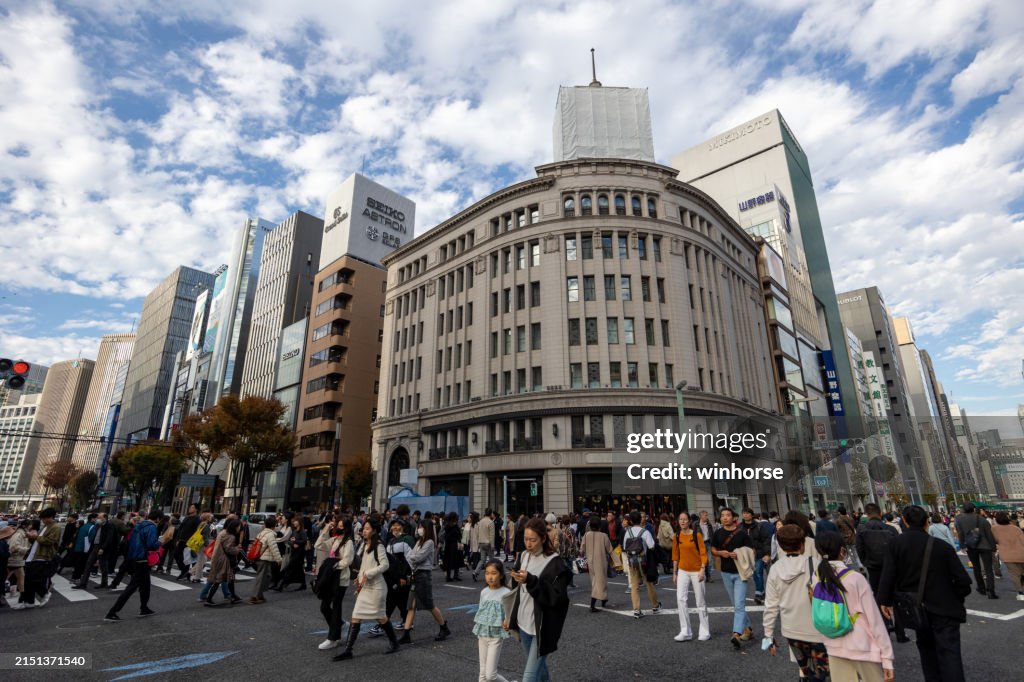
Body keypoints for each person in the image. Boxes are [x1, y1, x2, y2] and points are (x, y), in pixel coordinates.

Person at [879, 506, 971, 682]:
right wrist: (954, 598)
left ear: (904, 521)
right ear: (926, 522)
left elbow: (888, 574)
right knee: (950, 654)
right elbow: (963, 582)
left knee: (927, 652)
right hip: (945, 609)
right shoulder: (942, 547)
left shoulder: (895, 544)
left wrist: (885, 600)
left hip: (916, 609)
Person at [814, 531, 893, 682]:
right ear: (842, 550)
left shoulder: (817, 576)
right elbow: (874, 620)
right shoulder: (855, 578)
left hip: (833, 645)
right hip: (862, 645)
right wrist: (887, 658)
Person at [506, 517, 571, 682]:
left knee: (529, 677)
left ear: (543, 538)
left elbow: (556, 597)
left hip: (542, 626)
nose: (528, 544)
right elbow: (517, 590)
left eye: (533, 540)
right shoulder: (524, 556)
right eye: (526, 539)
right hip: (523, 622)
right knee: (539, 671)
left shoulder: (555, 563)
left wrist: (531, 580)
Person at [762, 524, 829, 681]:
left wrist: (768, 636)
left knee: (806, 672)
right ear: (802, 543)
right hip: (816, 629)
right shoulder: (815, 563)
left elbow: (770, 606)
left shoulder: (776, 569)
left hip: (791, 631)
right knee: (821, 675)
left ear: (781, 546)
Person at [333, 519, 400, 661]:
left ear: (374, 531)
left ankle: (394, 643)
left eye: (368, 528)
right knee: (355, 615)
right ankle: (348, 650)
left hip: (377, 588)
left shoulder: (379, 545)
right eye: (364, 528)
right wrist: (359, 577)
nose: (364, 530)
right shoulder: (365, 544)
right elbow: (364, 565)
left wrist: (367, 574)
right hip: (366, 587)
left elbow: (385, 565)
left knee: (381, 617)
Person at [104, 509, 162, 621]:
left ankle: (144, 608)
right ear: (158, 519)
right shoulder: (152, 527)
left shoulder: (139, 525)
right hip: (142, 559)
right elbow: (151, 545)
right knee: (132, 587)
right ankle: (112, 612)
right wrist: (160, 542)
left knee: (145, 586)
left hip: (133, 557)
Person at [400, 519, 451, 643]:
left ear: (426, 529)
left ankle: (444, 627)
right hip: (415, 575)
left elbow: (416, 557)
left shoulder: (429, 542)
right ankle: (406, 634)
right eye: (419, 527)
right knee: (411, 605)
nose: (419, 529)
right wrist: (411, 557)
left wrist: (410, 557)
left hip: (423, 575)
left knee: (429, 605)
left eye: (421, 527)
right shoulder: (419, 541)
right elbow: (411, 556)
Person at [711, 507, 755, 648]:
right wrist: (720, 553)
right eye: (722, 515)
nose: (725, 518)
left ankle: (736, 633)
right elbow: (713, 549)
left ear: (733, 518)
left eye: (728, 515)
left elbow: (751, 550)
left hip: (740, 573)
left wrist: (740, 553)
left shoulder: (742, 534)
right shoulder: (718, 533)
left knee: (739, 604)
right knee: (736, 604)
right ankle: (748, 629)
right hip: (725, 573)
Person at [369, 518, 414, 638]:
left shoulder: (407, 539)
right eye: (393, 525)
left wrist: (404, 576)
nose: (395, 527)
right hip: (392, 576)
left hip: (402, 577)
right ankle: (406, 621)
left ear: (403, 527)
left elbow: (410, 561)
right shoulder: (391, 540)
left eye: (398, 525)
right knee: (401, 600)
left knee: (391, 600)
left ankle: (383, 624)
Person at [318, 517, 355, 650]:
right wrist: (326, 528)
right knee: (324, 607)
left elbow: (348, 561)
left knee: (336, 606)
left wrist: (334, 566)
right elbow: (318, 545)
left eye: (341, 525)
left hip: (341, 578)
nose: (338, 527)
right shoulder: (334, 540)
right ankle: (339, 624)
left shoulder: (348, 542)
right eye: (337, 525)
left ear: (346, 528)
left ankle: (333, 638)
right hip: (330, 578)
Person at [671, 512, 709, 642]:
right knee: (680, 599)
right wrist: (674, 572)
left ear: (689, 521)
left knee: (700, 601)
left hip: (697, 570)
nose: (682, 521)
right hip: (682, 570)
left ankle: (705, 631)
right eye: (680, 519)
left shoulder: (696, 535)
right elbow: (675, 555)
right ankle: (685, 631)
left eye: (685, 519)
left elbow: (703, 553)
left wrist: (703, 569)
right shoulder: (676, 536)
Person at [474, 559, 511, 682]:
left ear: (501, 575)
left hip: (496, 636)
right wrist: (479, 634)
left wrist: (508, 622)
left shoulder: (506, 593)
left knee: (491, 675)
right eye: (487, 573)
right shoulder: (484, 592)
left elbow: (509, 615)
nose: (490, 577)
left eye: (494, 573)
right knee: (483, 674)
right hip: (482, 635)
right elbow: (480, 612)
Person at [954, 502, 997, 598]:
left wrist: (962, 545)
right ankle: (991, 591)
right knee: (988, 569)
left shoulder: (960, 520)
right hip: (985, 546)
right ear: (974, 509)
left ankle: (981, 588)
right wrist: (993, 547)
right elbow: (989, 534)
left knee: (976, 568)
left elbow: (960, 533)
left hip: (970, 546)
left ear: (963, 509)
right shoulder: (982, 519)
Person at [622, 510, 660, 618]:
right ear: (640, 519)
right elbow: (652, 546)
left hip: (632, 562)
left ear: (631, 521)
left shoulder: (627, 532)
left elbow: (625, 547)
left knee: (634, 586)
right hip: (644, 562)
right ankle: (655, 605)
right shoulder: (645, 532)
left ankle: (636, 609)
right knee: (649, 584)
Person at [580, 516, 614, 612]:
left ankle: (603, 599)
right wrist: (617, 562)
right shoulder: (604, 536)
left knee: (595, 581)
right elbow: (610, 550)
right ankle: (594, 604)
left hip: (590, 561)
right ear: (600, 525)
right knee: (601, 581)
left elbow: (581, 549)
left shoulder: (586, 535)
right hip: (601, 561)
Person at [74, 512, 116, 590]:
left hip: (102, 548)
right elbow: (94, 536)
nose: (98, 519)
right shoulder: (97, 525)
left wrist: (103, 548)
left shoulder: (109, 526)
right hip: (95, 546)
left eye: (100, 518)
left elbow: (109, 538)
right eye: (98, 518)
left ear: (105, 518)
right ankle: (83, 584)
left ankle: (104, 583)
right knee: (88, 564)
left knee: (103, 566)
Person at [740, 508, 772, 605]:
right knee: (753, 574)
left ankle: (758, 593)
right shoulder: (739, 527)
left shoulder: (759, 526)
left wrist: (767, 554)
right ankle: (761, 591)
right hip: (745, 555)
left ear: (752, 515)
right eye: (744, 513)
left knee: (758, 572)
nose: (745, 515)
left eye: (747, 513)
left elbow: (766, 540)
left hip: (759, 553)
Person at [990, 511, 1024, 600]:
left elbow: (994, 540)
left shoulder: (994, 529)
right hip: (1021, 553)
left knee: (1014, 574)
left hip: (1007, 555)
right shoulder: (1015, 528)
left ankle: (1021, 593)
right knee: (1022, 572)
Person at [249, 516, 282, 604]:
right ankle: (255, 597)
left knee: (264, 577)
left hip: (258, 558)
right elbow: (274, 548)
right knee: (261, 578)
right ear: (274, 526)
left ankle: (260, 595)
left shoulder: (261, 533)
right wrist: (279, 559)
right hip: (264, 559)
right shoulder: (270, 535)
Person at [275, 516, 308, 591]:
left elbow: (304, 541)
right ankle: (303, 584)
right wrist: (293, 543)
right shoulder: (295, 531)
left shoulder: (302, 531)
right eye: (293, 521)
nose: (294, 523)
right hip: (294, 552)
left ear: (299, 522)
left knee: (288, 568)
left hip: (299, 553)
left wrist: (295, 542)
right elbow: (289, 541)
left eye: (295, 521)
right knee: (299, 570)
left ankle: (281, 585)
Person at [443, 511, 464, 581]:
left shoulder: (447, 525)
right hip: (454, 545)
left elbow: (446, 536)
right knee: (456, 560)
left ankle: (449, 576)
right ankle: (455, 575)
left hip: (449, 546)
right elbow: (458, 535)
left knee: (449, 561)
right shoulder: (453, 526)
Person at [697, 511, 716, 582]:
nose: (706, 517)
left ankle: (709, 575)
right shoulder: (696, 524)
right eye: (705, 515)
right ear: (701, 516)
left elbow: (712, 534)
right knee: (703, 560)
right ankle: (705, 574)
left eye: (707, 515)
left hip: (708, 543)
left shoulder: (709, 524)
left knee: (710, 560)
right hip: (700, 543)